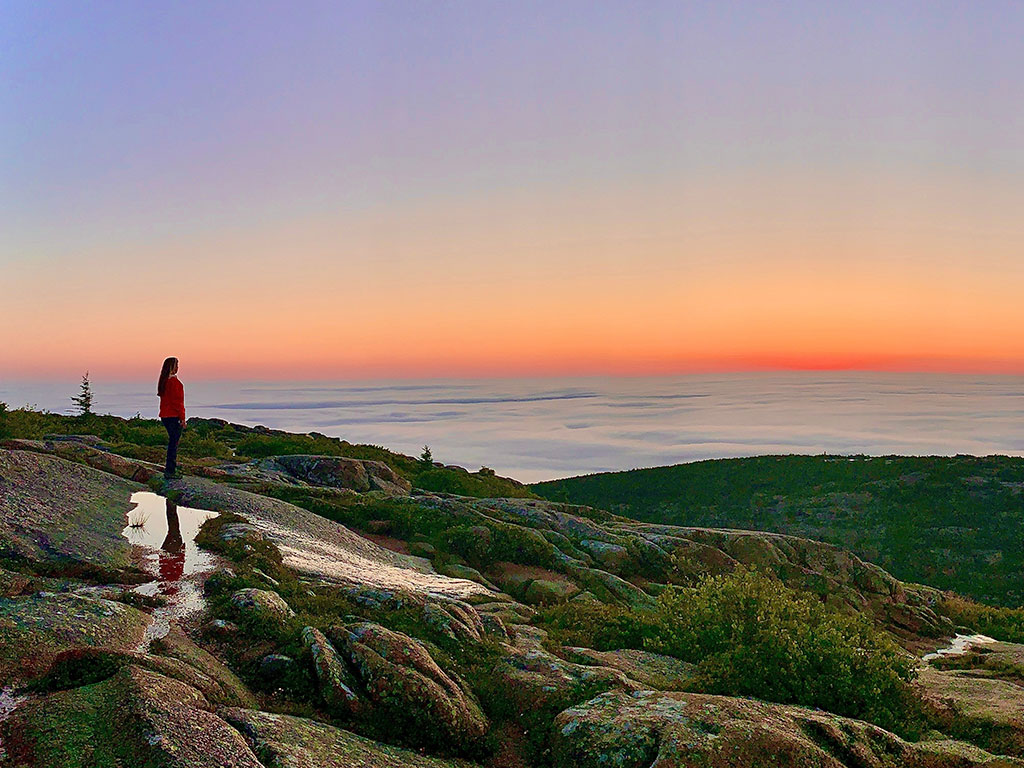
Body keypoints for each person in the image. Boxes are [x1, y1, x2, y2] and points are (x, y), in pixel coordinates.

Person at [157, 356, 186, 479]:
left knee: (172, 443)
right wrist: (183, 418)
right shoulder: (174, 383)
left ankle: (170, 469)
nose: (178, 367)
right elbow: (178, 403)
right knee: (173, 444)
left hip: (165, 415)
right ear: (173, 367)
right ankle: (170, 471)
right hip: (173, 416)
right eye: (177, 365)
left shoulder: (164, 382)